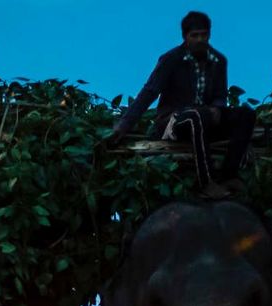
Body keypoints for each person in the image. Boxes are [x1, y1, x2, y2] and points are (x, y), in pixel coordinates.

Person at [102, 11, 256, 200]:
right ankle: (206, 182)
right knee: (195, 116)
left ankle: (229, 175)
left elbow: (220, 95)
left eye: (204, 35)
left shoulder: (219, 61)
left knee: (246, 114)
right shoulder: (171, 59)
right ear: (185, 37)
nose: (200, 40)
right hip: (175, 121)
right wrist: (124, 125)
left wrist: (217, 107)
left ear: (209, 34)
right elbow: (150, 92)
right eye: (194, 35)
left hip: (206, 121)